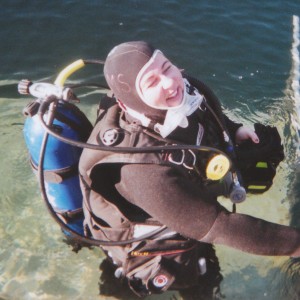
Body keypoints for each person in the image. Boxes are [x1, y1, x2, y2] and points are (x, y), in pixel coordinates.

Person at [79, 41, 300, 297]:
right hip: (152, 242)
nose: (170, 82)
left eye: (167, 67)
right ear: (130, 103)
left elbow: (204, 116)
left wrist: (233, 130)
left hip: (188, 211)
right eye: (151, 82)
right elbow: (220, 226)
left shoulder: (184, 91)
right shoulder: (140, 170)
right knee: (197, 283)